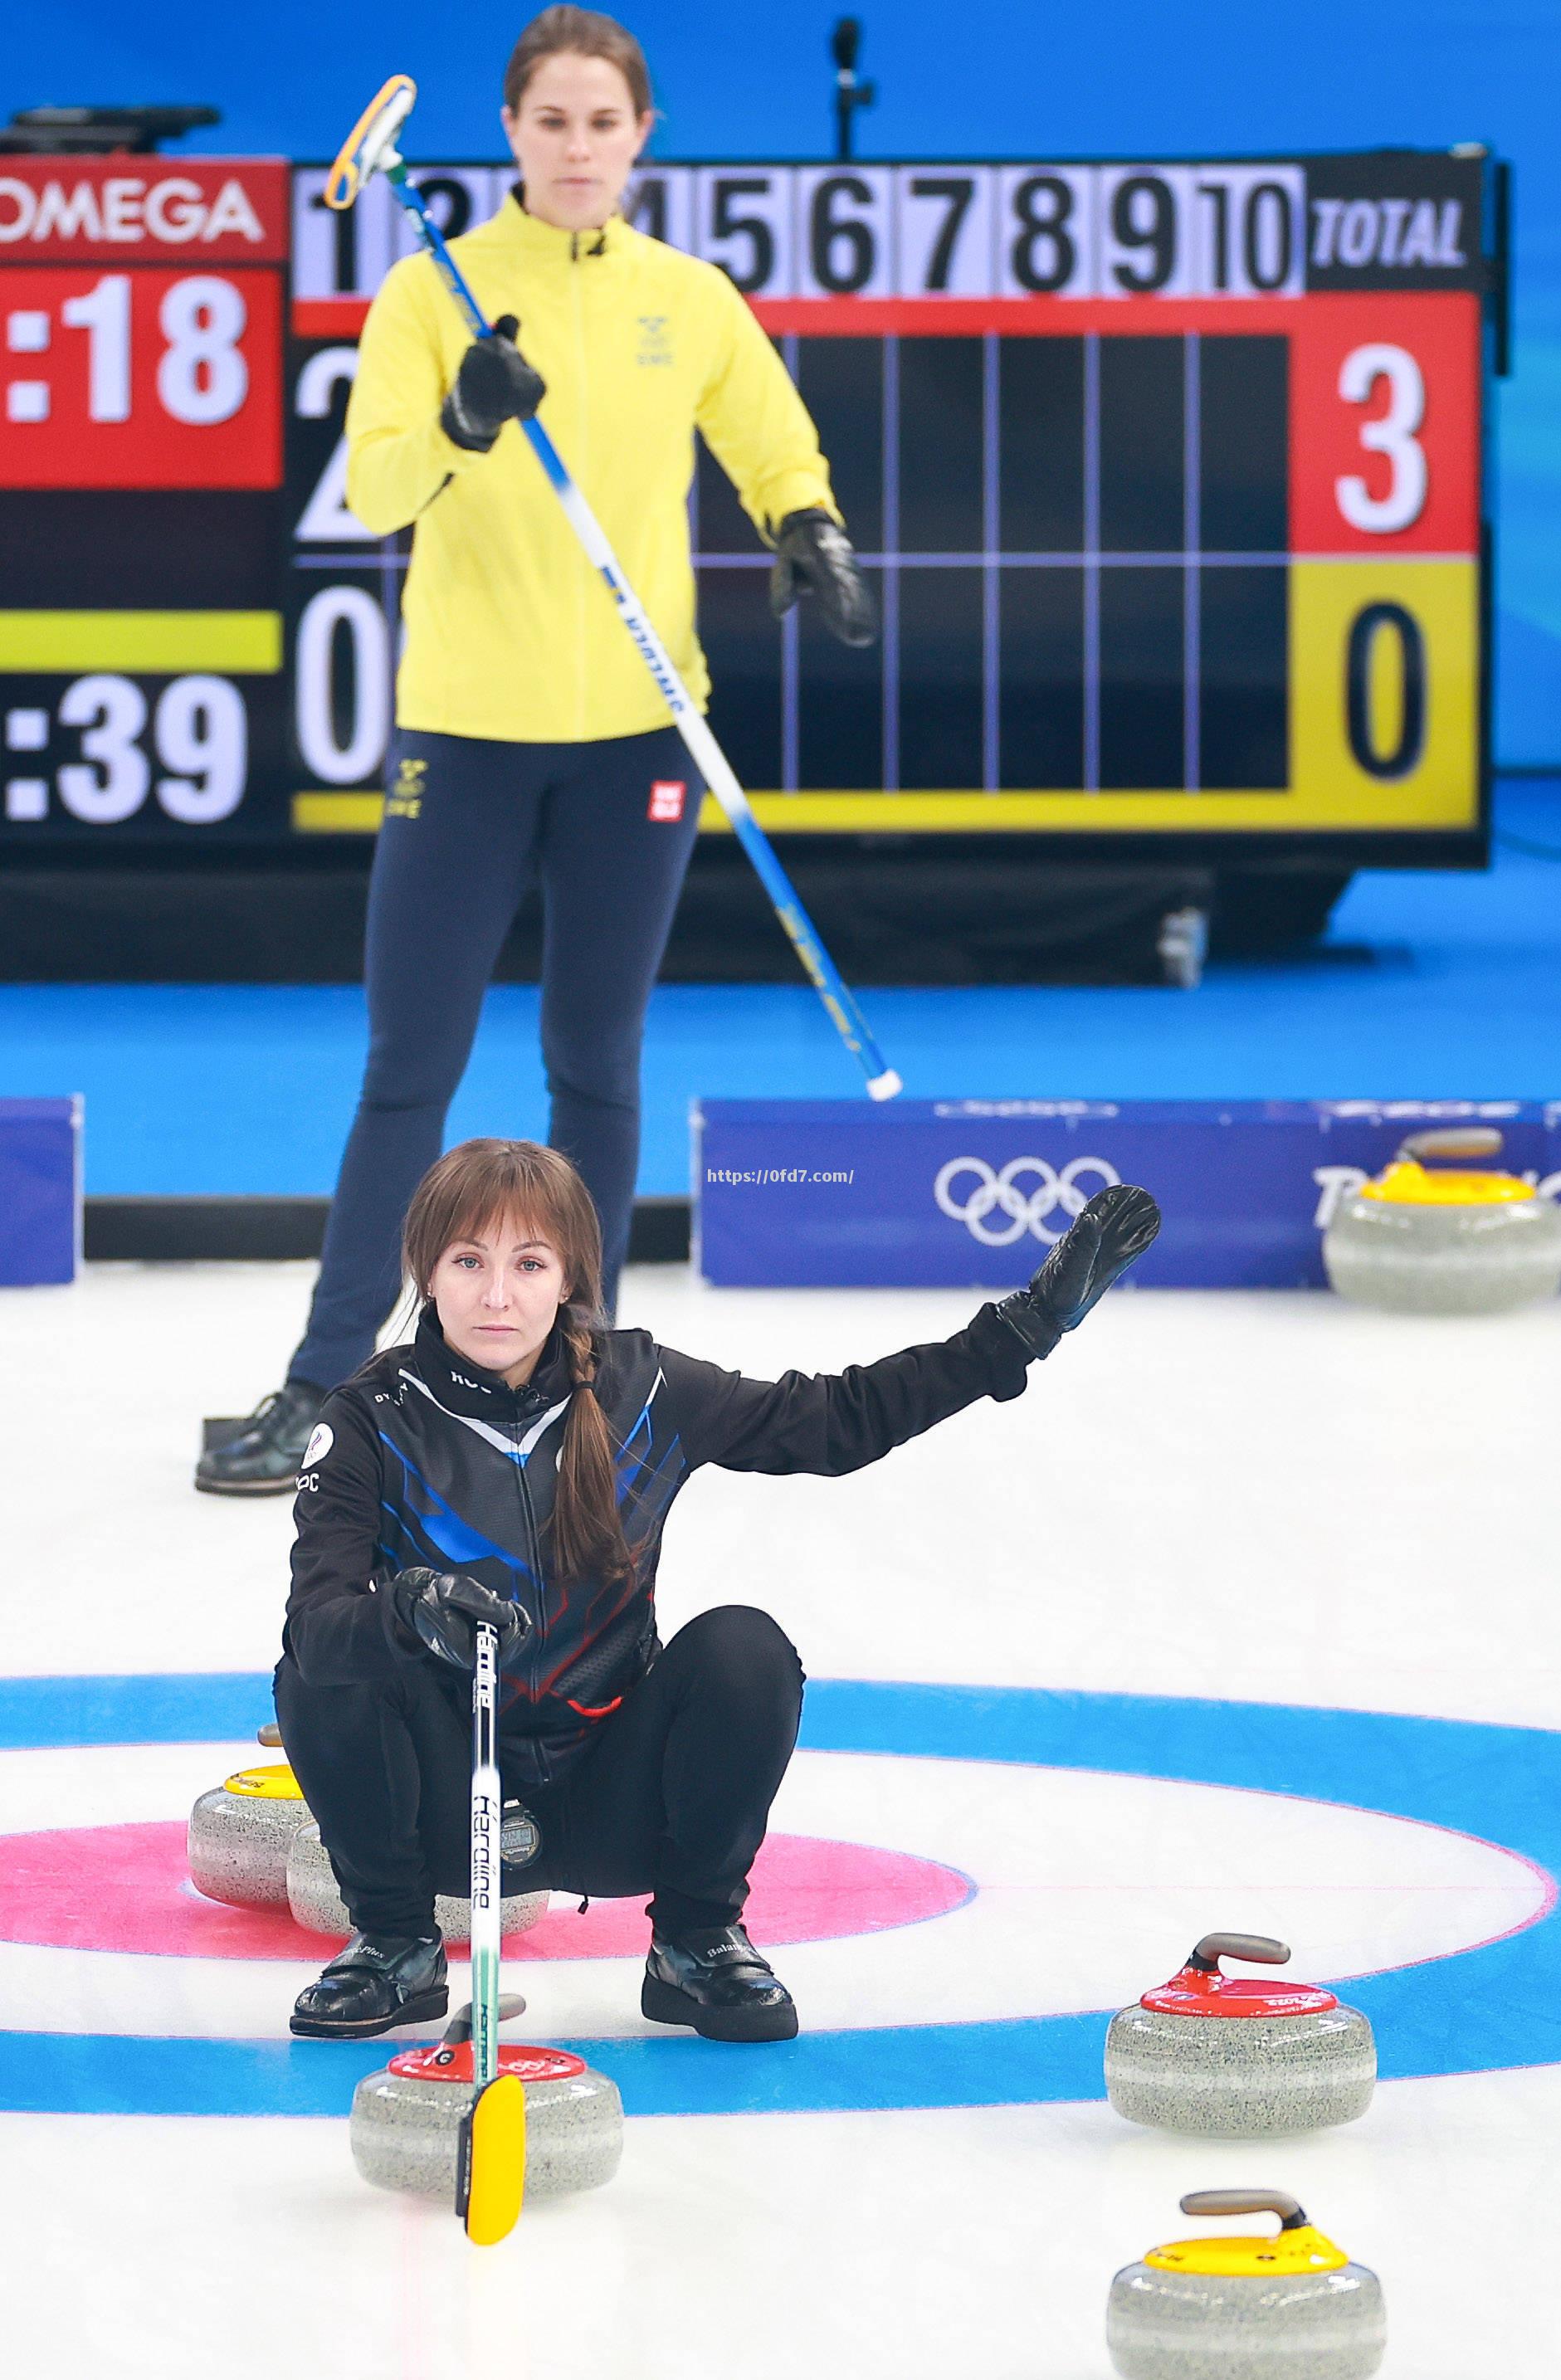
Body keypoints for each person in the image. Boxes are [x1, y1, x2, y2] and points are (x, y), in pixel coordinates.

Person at [198, 5, 875, 1495]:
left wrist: (806, 526)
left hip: (639, 729)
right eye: (551, 122)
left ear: (642, 137)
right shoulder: (436, 290)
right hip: (469, 732)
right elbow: (376, 485)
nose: (578, 147)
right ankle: (323, 1381)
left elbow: (770, 438)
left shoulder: (684, 295)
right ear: (511, 134)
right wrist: (461, 417)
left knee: (596, 1065)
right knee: (411, 1068)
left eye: (604, 122)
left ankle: (585, 1386)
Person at [276, 1136, 1160, 2044]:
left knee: (747, 1649)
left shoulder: (642, 1387)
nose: (496, 1295)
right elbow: (319, 1625)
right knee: (322, 1667)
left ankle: (696, 1937)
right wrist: (407, 1609)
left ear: (571, 1273)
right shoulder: (368, 1420)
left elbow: (837, 1422)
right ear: (426, 1271)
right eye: (469, 1261)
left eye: (528, 1262)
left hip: (610, 1796)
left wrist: (1020, 1331)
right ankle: (393, 1942)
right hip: (446, 1805)